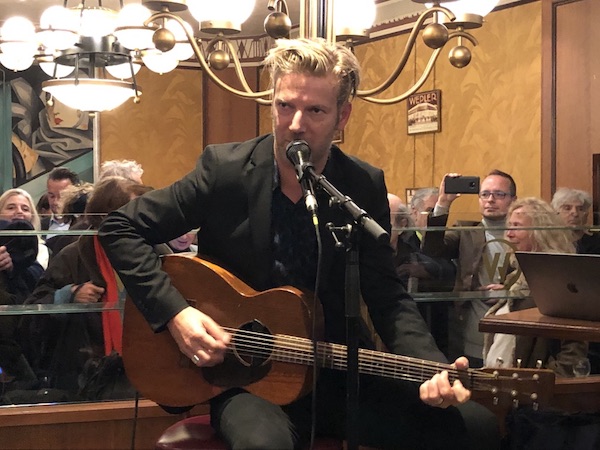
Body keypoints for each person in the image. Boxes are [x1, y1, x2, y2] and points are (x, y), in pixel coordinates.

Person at [98, 39, 499, 449]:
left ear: (343, 116)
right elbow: (120, 229)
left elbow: (387, 296)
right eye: (284, 106)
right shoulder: (225, 170)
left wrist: (430, 368)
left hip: (339, 372)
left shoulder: (362, 185)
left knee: (475, 427)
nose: (295, 124)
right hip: (245, 376)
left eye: (315, 111)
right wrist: (177, 315)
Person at [22, 177, 149, 400]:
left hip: (149, 375)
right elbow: (31, 315)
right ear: (110, 217)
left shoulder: (155, 253)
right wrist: (68, 295)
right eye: (137, 212)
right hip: (86, 381)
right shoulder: (74, 255)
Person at [422, 171, 518, 367]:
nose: (490, 200)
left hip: (512, 331)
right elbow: (432, 249)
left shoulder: (525, 232)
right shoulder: (466, 231)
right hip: (470, 333)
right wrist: (443, 203)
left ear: (513, 199)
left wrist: (510, 291)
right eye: (485, 194)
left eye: (499, 194)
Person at [483, 197, 588, 376]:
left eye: (516, 226)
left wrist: (543, 383)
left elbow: (573, 350)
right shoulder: (515, 275)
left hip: (529, 390)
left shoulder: (559, 277)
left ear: (540, 231)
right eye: (508, 226)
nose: (508, 234)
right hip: (501, 383)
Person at [551, 187, 600, 254]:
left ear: (586, 215)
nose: (575, 213)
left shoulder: (596, 242)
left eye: (581, 209)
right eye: (567, 208)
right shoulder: (548, 241)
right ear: (556, 212)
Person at [41, 167, 80, 240]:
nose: (56, 202)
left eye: (62, 196)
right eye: (51, 196)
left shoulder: (84, 226)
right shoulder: (39, 226)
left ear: (75, 194)